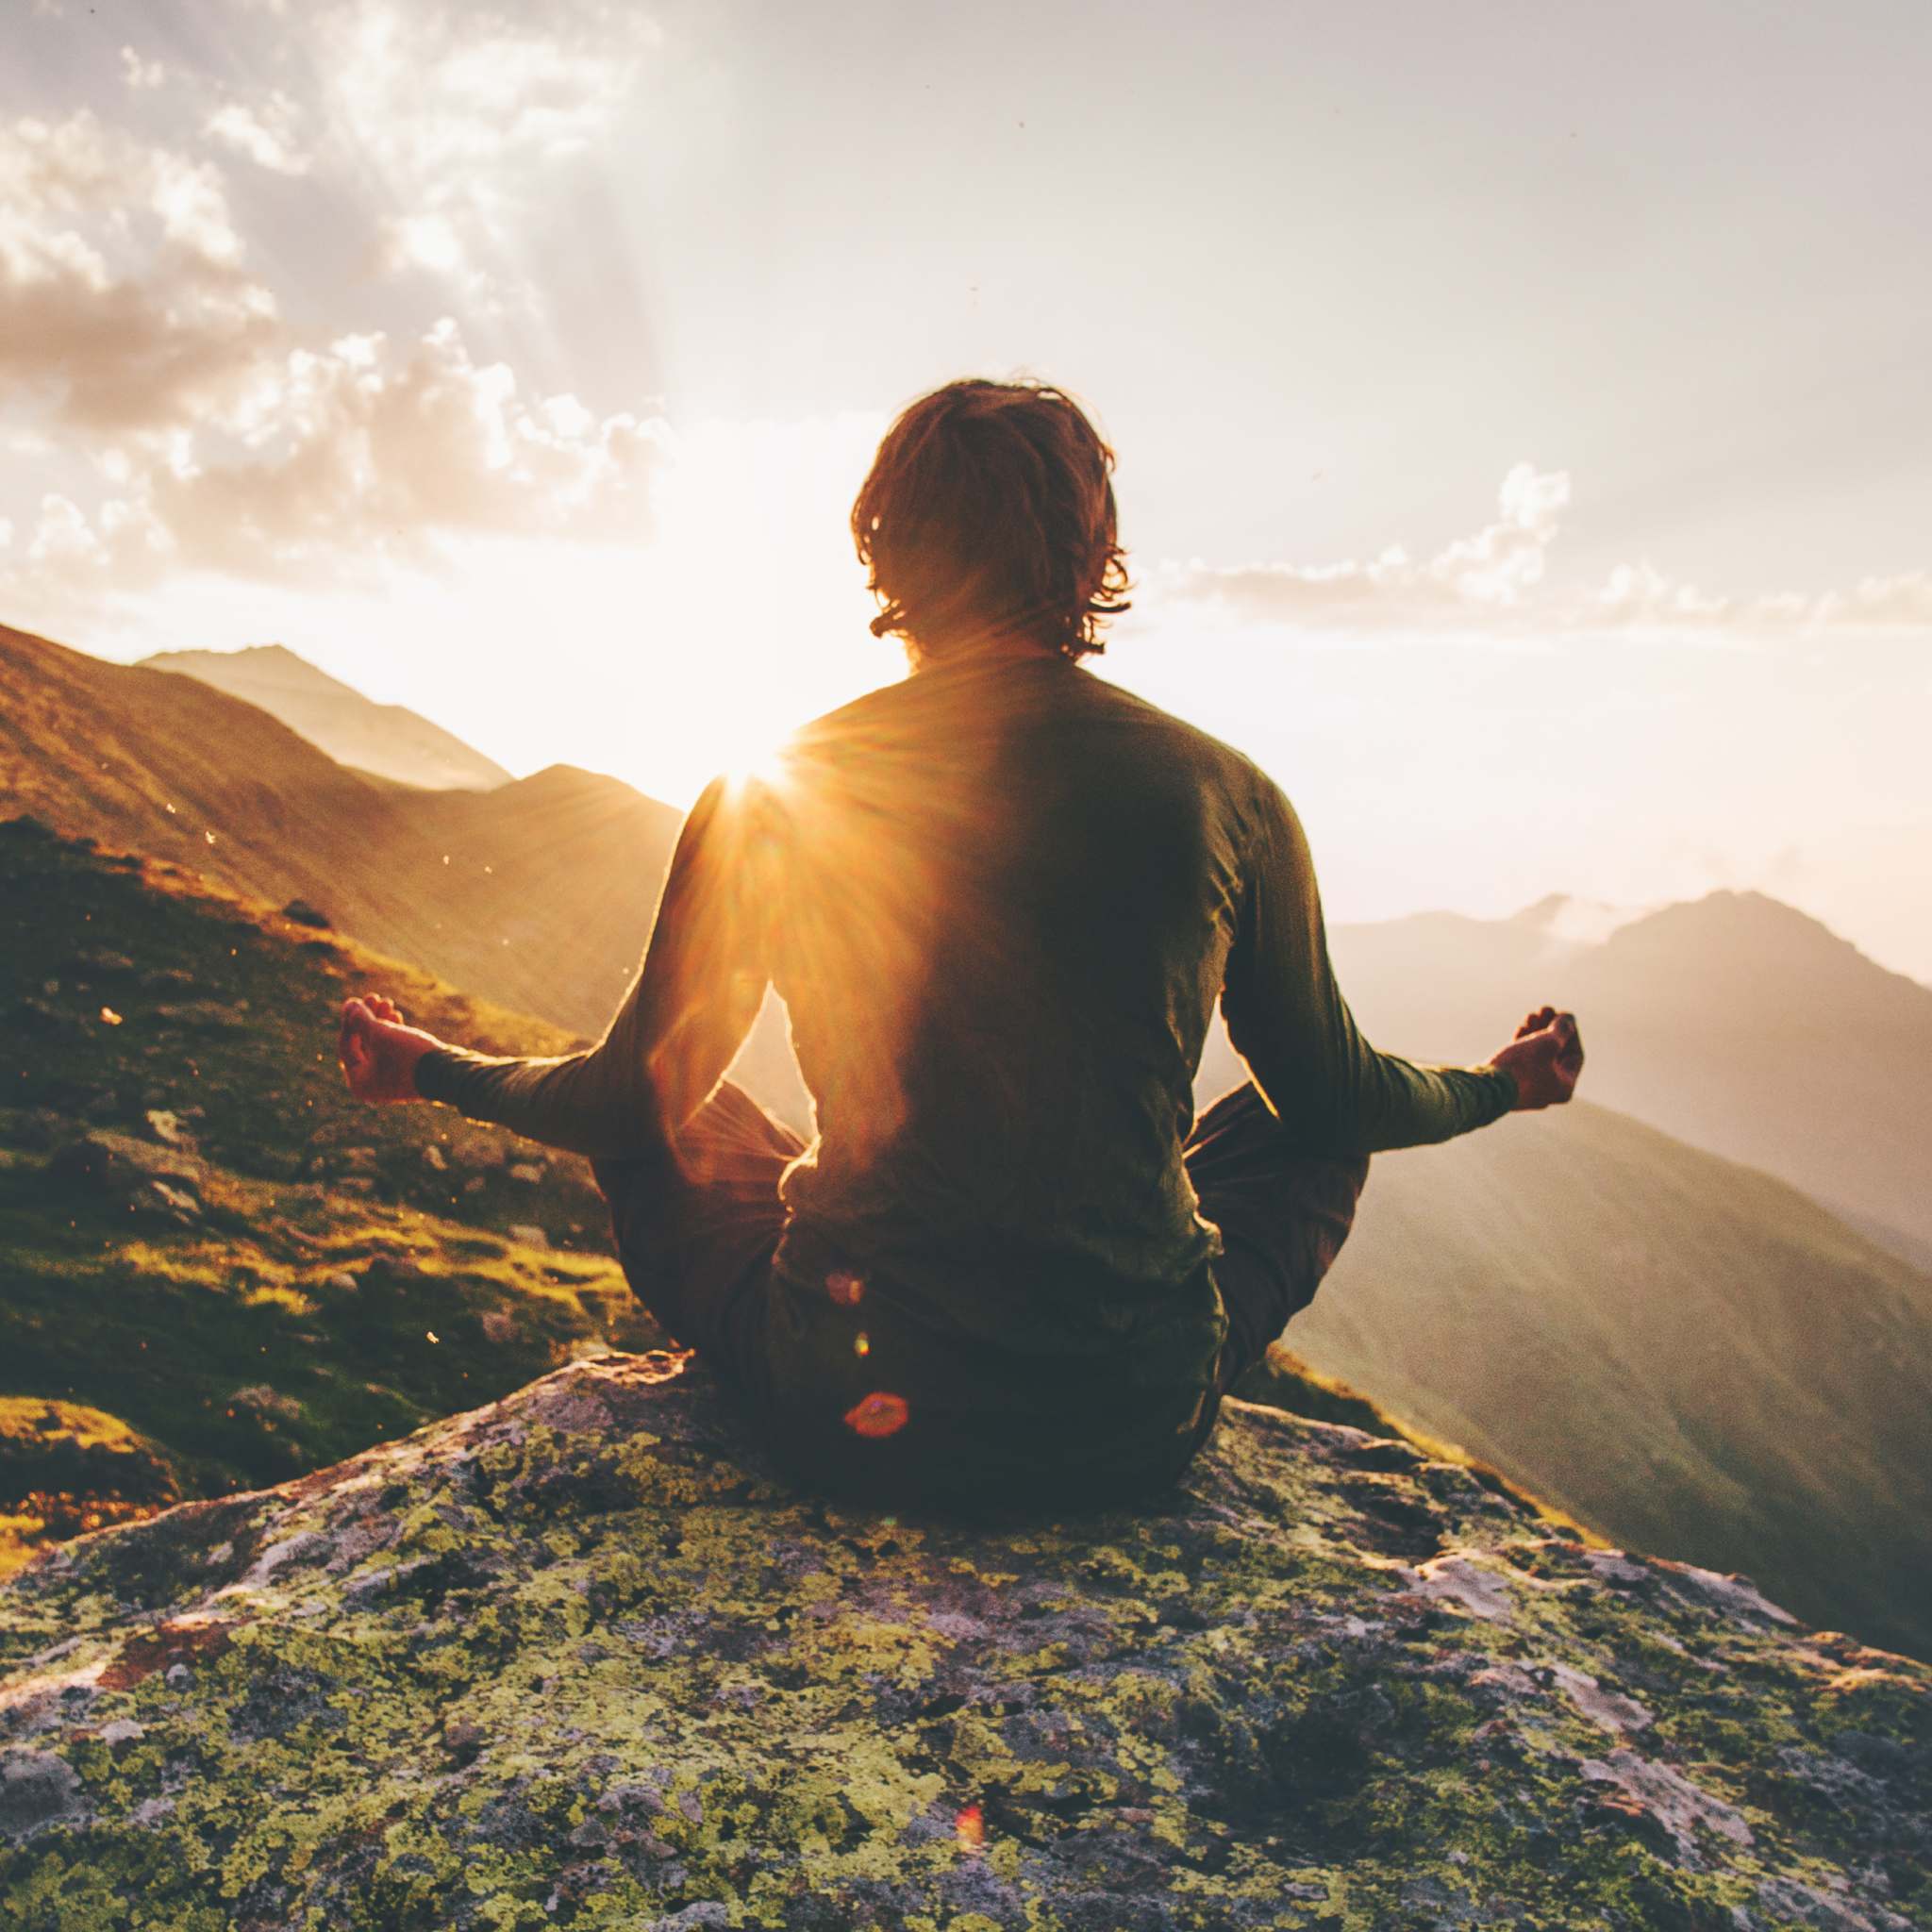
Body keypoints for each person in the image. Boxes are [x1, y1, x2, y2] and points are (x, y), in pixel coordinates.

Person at [339, 377, 1583, 1510]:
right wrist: (1500, 1085)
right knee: (1300, 1122)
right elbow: (1347, 1096)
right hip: (1131, 1424)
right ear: (1094, 554)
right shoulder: (1225, 793)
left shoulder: (776, 787)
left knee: (687, 1118)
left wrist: (428, 1065)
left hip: (854, 1412)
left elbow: (623, 1102)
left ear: (883, 547)